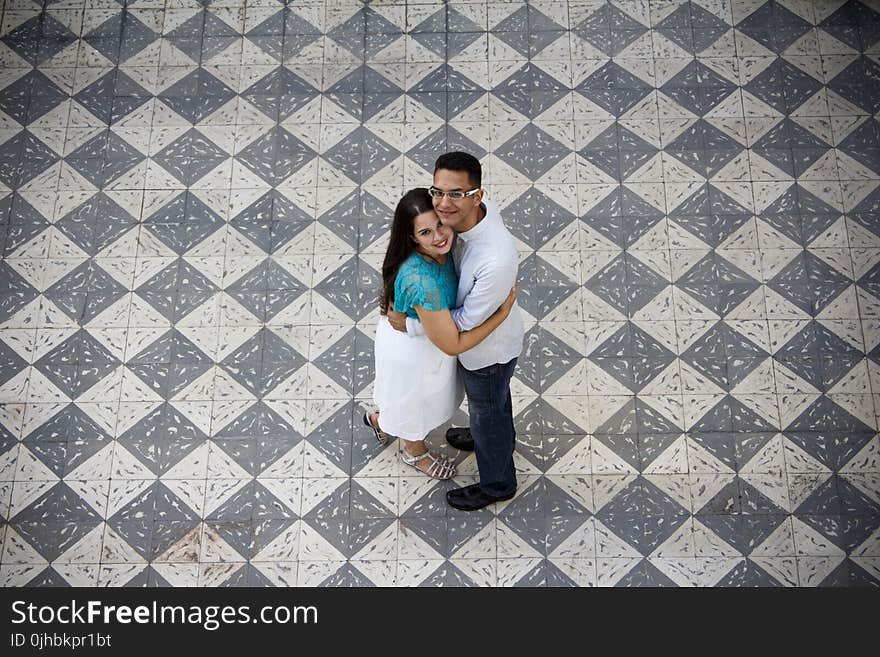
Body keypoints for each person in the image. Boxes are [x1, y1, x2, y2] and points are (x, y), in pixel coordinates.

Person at [388, 152, 524, 511]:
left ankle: (497, 483)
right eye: (439, 191)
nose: (444, 204)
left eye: (456, 194)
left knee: (486, 412)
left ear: (477, 195)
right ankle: (492, 437)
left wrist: (411, 323)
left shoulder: (494, 260)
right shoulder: (467, 214)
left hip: (486, 351)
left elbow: (462, 326)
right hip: (486, 339)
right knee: (493, 406)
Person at [365, 188, 516, 480]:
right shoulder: (421, 281)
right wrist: (501, 315)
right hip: (411, 352)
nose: (438, 237)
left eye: (440, 224)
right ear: (412, 238)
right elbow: (453, 343)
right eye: (425, 233)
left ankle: (380, 421)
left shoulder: (443, 246)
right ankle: (415, 453)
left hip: (425, 336)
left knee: (415, 401)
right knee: (414, 404)